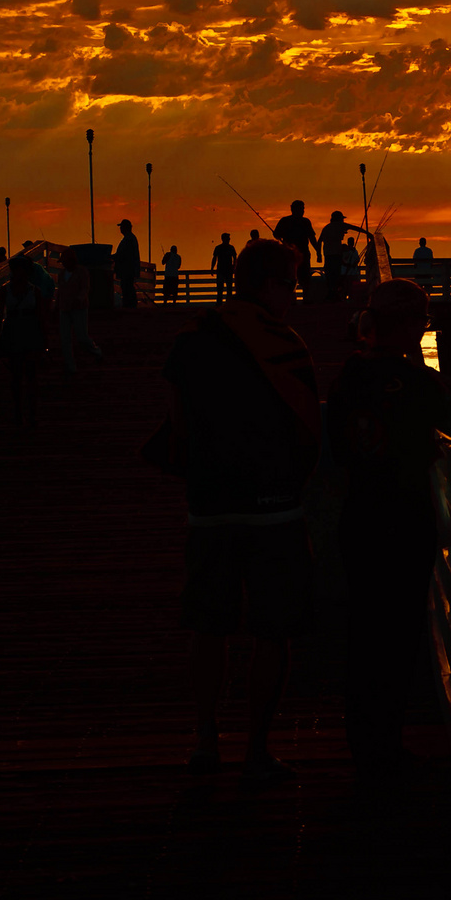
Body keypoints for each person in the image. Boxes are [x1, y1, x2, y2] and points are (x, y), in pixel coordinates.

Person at [163, 239, 320, 783]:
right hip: (274, 509)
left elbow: (179, 423)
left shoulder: (191, 339)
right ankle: (257, 749)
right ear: (271, 285)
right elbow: (307, 428)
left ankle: (205, 740)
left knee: (208, 628)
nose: (294, 296)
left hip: (209, 506)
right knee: (272, 631)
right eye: (292, 284)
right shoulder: (284, 341)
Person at [326, 277, 451, 778]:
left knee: (363, 634)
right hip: (404, 521)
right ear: (413, 326)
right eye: (425, 320)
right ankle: (386, 747)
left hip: (357, 518)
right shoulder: (414, 382)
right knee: (396, 638)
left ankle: (363, 743)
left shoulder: (349, 375)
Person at [0, 255, 49, 428]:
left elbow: (40, 316)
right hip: (13, 331)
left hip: (29, 330)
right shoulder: (5, 291)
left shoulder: (35, 291)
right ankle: (19, 412)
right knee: (16, 375)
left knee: (31, 375)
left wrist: (44, 340)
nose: (19, 273)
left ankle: (31, 413)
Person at [56, 246, 103, 374]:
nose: (64, 264)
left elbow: (85, 288)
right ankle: (70, 366)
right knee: (65, 339)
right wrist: (56, 305)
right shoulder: (61, 275)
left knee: (82, 336)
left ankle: (96, 351)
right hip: (64, 308)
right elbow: (60, 291)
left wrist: (79, 299)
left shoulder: (82, 272)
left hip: (79, 309)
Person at [273, 200, 319, 299]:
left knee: (299, 277)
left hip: (298, 254)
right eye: (301, 208)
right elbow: (312, 238)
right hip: (294, 254)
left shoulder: (286, 221)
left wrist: (318, 251)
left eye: (303, 209)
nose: (303, 211)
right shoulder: (303, 221)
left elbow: (276, 234)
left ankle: (298, 299)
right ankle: (300, 299)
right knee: (294, 277)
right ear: (293, 209)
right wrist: (318, 251)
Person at [318, 211, 356, 300]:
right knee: (336, 276)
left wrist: (318, 254)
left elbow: (319, 241)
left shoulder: (326, 228)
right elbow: (354, 227)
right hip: (336, 255)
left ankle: (331, 294)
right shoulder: (340, 225)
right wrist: (368, 234)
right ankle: (334, 294)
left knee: (329, 275)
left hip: (327, 255)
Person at [114, 218, 141, 309]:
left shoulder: (128, 239)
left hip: (127, 269)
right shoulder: (130, 238)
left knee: (127, 288)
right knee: (128, 287)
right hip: (128, 268)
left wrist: (113, 257)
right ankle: (130, 305)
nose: (120, 229)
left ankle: (129, 306)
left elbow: (124, 254)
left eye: (121, 227)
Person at [211, 233, 237, 303]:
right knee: (221, 288)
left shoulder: (228, 248)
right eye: (228, 238)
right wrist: (212, 268)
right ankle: (222, 303)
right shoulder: (222, 248)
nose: (229, 239)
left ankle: (226, 303)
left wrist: (234, 266)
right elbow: (214, 258)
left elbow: (235, 258)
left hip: (226, 270)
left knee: (227, 288)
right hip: (223, 270)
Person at [339, 236, 361, 301]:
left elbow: (357, 260)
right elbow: (342, 260)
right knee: (345, 286)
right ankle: (344, 298)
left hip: (351, 272)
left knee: (350, 287)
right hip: (345, 272)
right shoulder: (345, 250)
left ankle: (349, 298)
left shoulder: (355, 251)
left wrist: (354, 264)